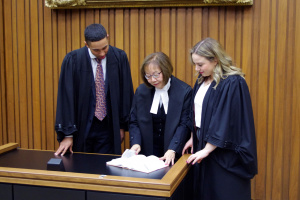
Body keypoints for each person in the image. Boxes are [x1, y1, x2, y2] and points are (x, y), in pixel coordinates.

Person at [182, 38, 258, 200]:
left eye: (200, 64)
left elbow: (226, 120)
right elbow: (196, 112)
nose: (197, 69)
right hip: (203, 145)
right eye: (195, 64)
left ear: (215, 59)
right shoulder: (201, 81)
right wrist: (192, 137)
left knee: (221, 193)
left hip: (223, 153)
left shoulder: (233, 83)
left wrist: (207, 149)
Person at [54, 23, 134, 156]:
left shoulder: (119, 57)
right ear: (86, 44)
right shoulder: (73, 60)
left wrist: (121, 126)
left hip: (109, 128)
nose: (102, 53)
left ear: (107, 37)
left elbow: (125, 93)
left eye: (105, 47)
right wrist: (67, 134)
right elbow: (65, 98)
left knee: (107, 170)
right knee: (81, 169)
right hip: (82, 128)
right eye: (96, 50)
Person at [129, 52, 192, 166]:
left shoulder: (184, 91)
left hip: (172, 151)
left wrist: (173, 149)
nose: (152, 80)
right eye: (147, 75)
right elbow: (134, 121)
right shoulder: (142, 91)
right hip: (147, 151)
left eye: (156, 74)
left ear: (166, 70)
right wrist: (136, 143)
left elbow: (184, 124)